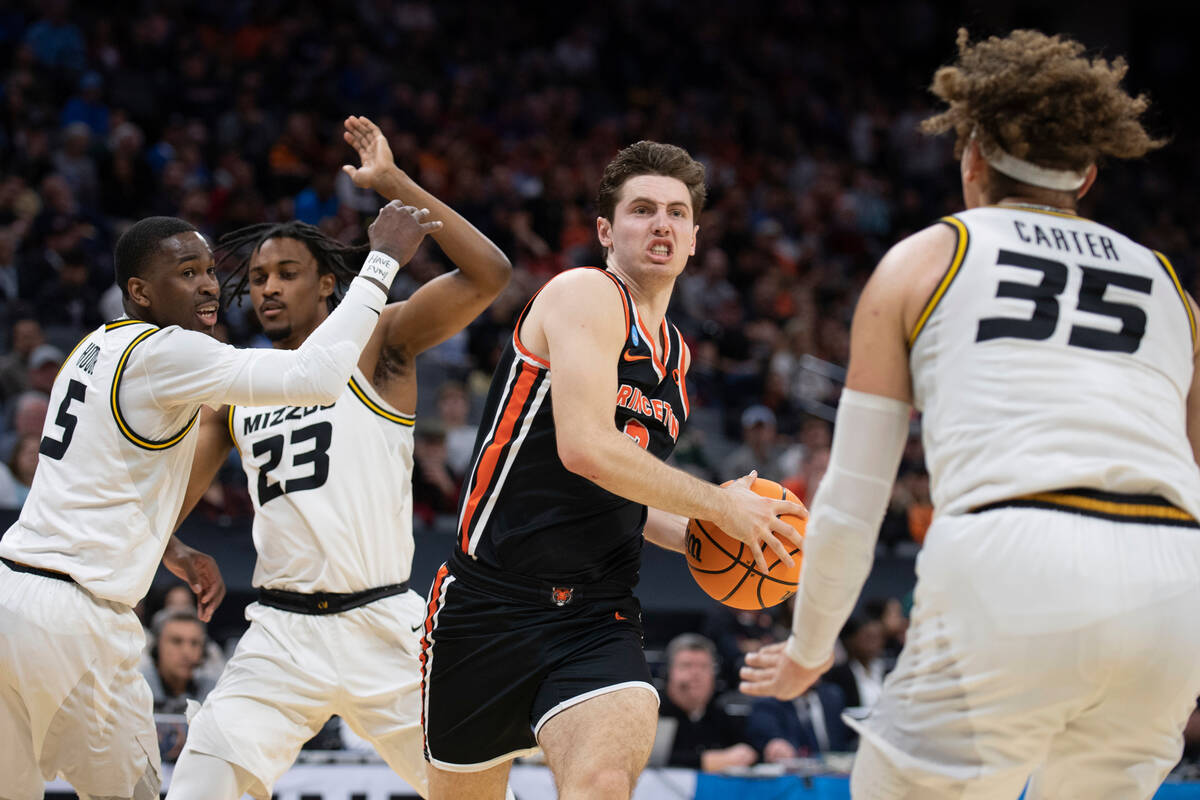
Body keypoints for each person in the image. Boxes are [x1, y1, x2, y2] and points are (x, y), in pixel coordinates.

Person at [739, 29, 1200, 800]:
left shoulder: (927, 257)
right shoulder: (1173, 292)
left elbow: (853, 498)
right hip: (1174, 577)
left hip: (1014, 551)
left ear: (973, 159)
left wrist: (811, 647)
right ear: (1086, 175)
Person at [0, 200, 437, 800]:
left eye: (208, 268)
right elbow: (314, 376)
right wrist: (382, 259)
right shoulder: (166, 354)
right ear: (140, 291)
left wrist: (169, 544)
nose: (209, 284)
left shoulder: (91, 349)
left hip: (13, 597)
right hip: (77, 621)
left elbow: (101, 483)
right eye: (186, 273)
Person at [421, 140, 806, 800]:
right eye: (643, 209)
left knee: (602, 784)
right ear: (605, 230)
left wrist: (710, 538)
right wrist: (718, 506)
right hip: (488, 602)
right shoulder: (584, 293)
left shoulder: (676, 358)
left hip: (597, 616)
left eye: (677, 213)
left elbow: (628, 493)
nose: (662, 224)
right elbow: (587, 449)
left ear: (693, 239)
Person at [165, 115, 511, 800]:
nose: (266, 288)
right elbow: (170, 497)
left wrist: (391, 182)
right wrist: (170, 546)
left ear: (330, 285)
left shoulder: (379, 338)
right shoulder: (238, 381)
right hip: (280, 633)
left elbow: (491, 273)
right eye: (259, 276)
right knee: (198, 787)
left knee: (481, 793)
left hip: (384, 626)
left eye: (286, 273)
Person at [656, 634, 757, 771]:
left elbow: (750, 750)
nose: (696, 674)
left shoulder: (720, 716)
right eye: (686, 666)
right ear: (668, 673)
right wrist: (705, 762)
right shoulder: (654, 715)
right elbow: (652, 761)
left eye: (704, 667)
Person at [140, 608, 215, 715]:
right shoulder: (136, 691)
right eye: (176, 641)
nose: (187, 652)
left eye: (194, 643)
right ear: (156, 648)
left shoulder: (213, 694)